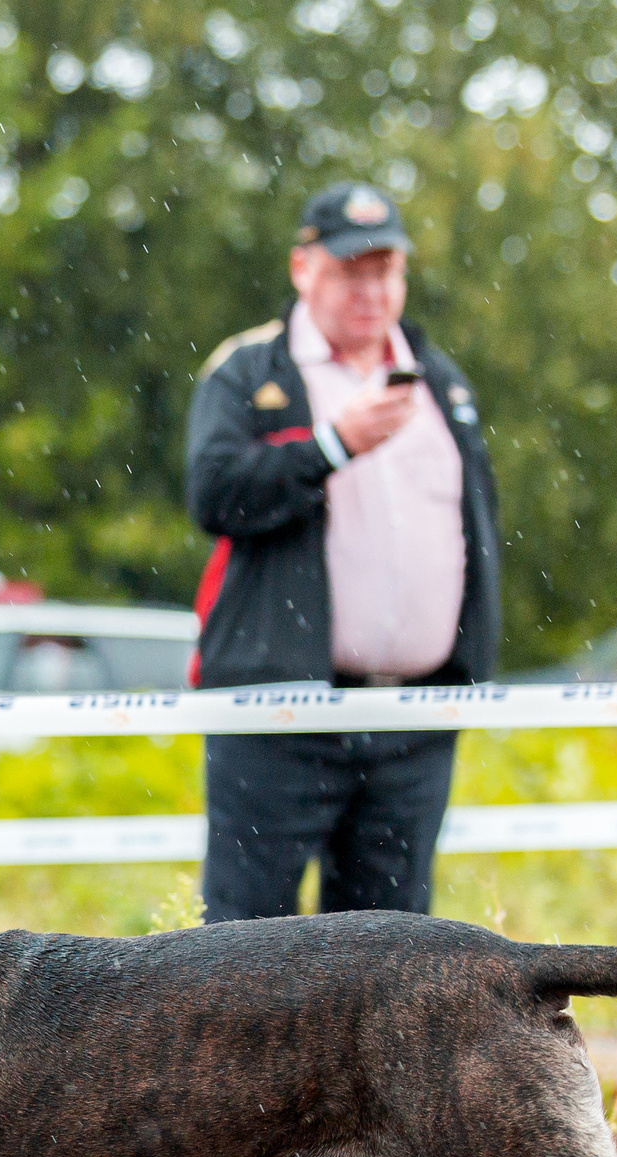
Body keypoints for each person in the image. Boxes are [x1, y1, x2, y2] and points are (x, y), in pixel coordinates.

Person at [182, 182, 503, 923]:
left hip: (413, 718)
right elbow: (214, 493)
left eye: (386, 271)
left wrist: (470, 663)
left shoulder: (441, 378)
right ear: (303, 269)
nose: (372, 291)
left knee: (392, 955)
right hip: (281, 712)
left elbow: (473, 524)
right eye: (351, 271)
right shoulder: (250, 371)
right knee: (245, 944)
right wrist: (333, 446)